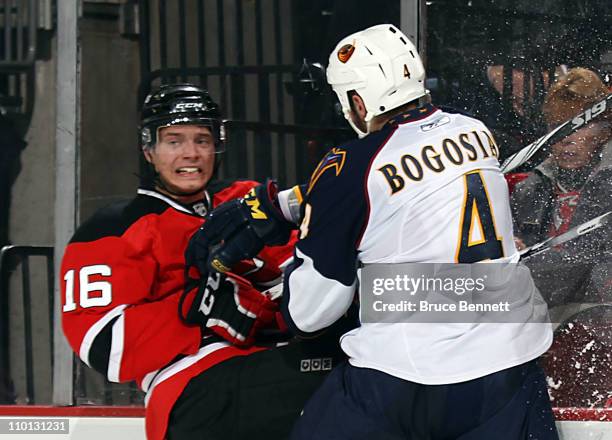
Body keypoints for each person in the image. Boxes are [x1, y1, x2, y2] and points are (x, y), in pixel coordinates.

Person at [194, 24, 558, 439]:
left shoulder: (346, 166)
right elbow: (405, 186)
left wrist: (303, 249)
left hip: (408, 378)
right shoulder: (474, 131)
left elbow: (310, 315)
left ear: (358, 99)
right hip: (509, 366)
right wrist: (289, 203)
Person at [60, 83, 348, 440]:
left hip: (269, 361)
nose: (191, 154)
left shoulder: (244, 201)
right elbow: (100, 341)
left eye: (202, 140)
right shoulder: (114, 227)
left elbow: (300, 271)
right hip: (194, 388)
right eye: (174, 141)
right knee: (350, 380)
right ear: (148, 149)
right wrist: (204, 308)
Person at [511, 68, 612, 310]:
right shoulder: (530, 188)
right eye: (557, 126)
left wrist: (525, 261)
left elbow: (588, 264)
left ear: (604, 130)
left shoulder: (608, 185)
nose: (565, 139)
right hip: (539, 311)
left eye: (577, 127)